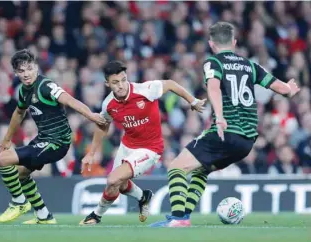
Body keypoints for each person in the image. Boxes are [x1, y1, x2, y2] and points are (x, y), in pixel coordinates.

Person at [150, 22, 300, 227]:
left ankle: (178, 218)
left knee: (175, 168)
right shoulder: (250, 65)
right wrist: (290, 87)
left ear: (211, 44)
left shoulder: (214, 63)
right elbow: (283, 90)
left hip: (226, 132)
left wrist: (219, 116)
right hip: (247, 142)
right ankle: (183, 215)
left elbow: (214, 88)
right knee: (201, 171)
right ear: (235, 42)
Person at [79, 61, 206, 225]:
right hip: (127, 146)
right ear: (107, 84)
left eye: (124, 80)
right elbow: (103, 125)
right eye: (115, 82)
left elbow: (171, 84)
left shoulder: (145, 90)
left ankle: (96, 215)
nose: (121, 85)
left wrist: (193, 101)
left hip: (150, 149)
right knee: (119, 185)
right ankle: (143, 197)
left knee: (112, 180)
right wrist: (91, 153)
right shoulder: (108, 104)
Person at [0, 49, 106, 224]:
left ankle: (19, 202)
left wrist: (91, 115)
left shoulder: (45, 86)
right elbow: (18, 113)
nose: (26, 74)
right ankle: (44, 215)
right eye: (21, 71)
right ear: (16, 73)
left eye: (29, 69)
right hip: (43, 140)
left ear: (36, 68)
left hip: (57, 142)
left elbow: (70, 100)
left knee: (3, 160)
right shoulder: (24, 91)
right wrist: (7, 139)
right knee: (22, 175)